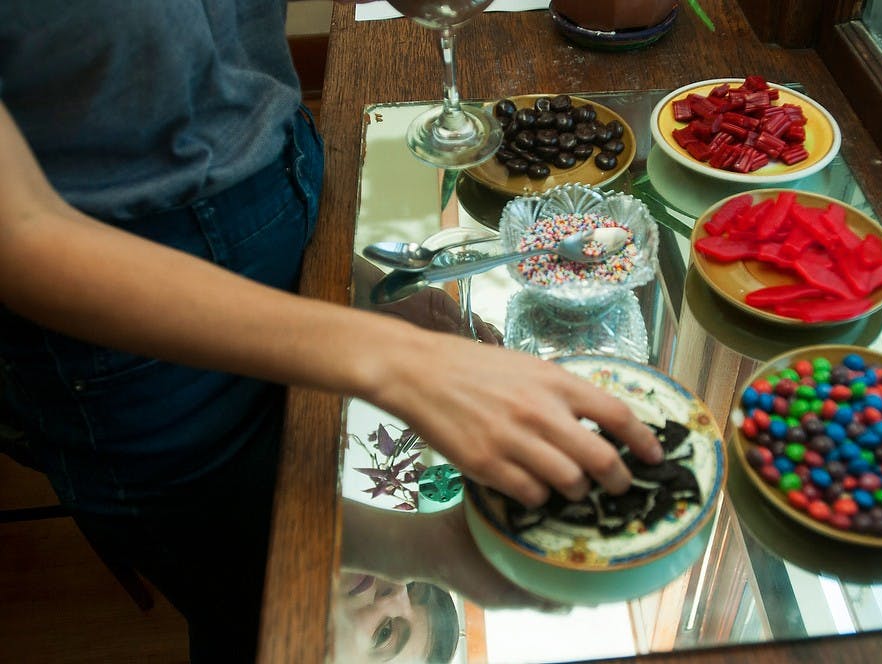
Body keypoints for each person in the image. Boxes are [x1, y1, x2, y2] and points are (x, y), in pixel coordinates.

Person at [0, 1, 662, 661]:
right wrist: (392, 358)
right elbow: (21, 233)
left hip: (282, 195)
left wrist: (363, 294)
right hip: (126, 349)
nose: (390, 605)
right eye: (397, 630)